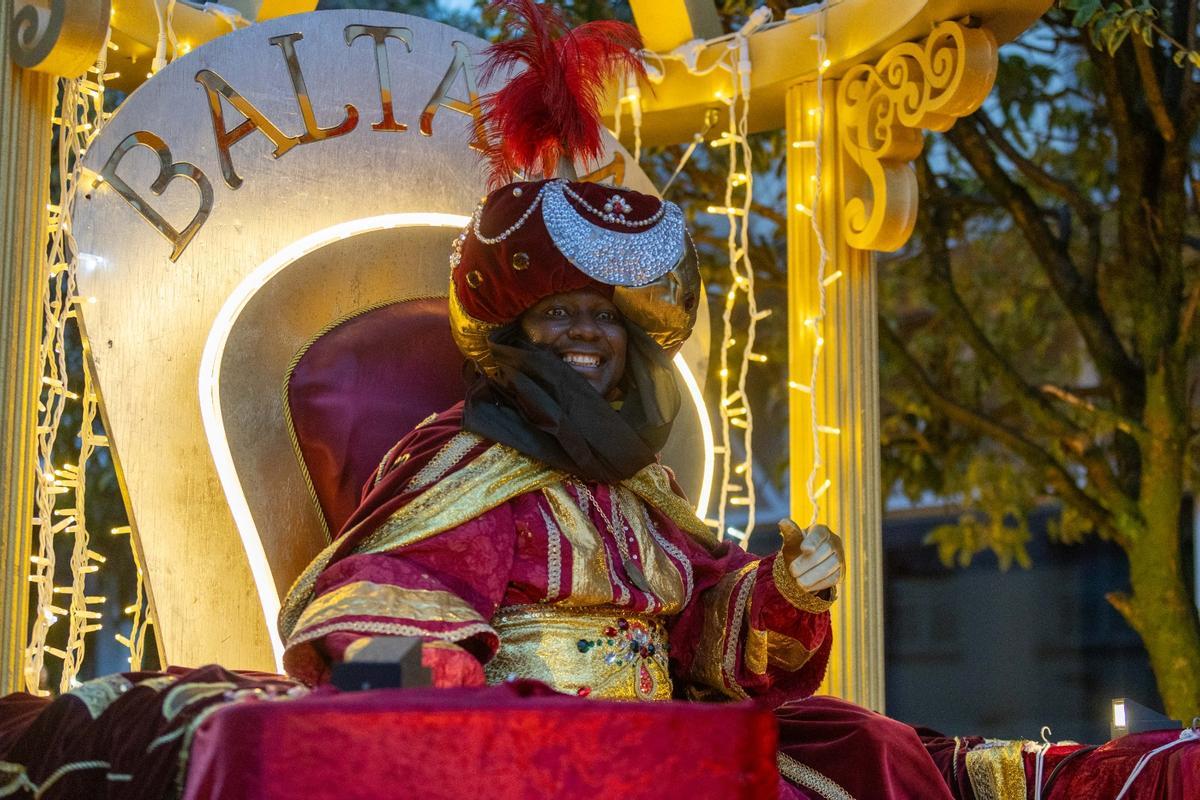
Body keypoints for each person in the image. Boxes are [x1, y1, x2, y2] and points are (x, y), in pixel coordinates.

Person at [276, 6, 958, 797]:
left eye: (605, 315)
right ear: (515, 331)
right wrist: (490, 735)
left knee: (869, 748)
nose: (586, 333)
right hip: (543, 763)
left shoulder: (639, 479)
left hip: (664, 750)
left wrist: (787, 589)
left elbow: (701, 635)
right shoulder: (463, 456)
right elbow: (376, 628)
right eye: (559, 312)